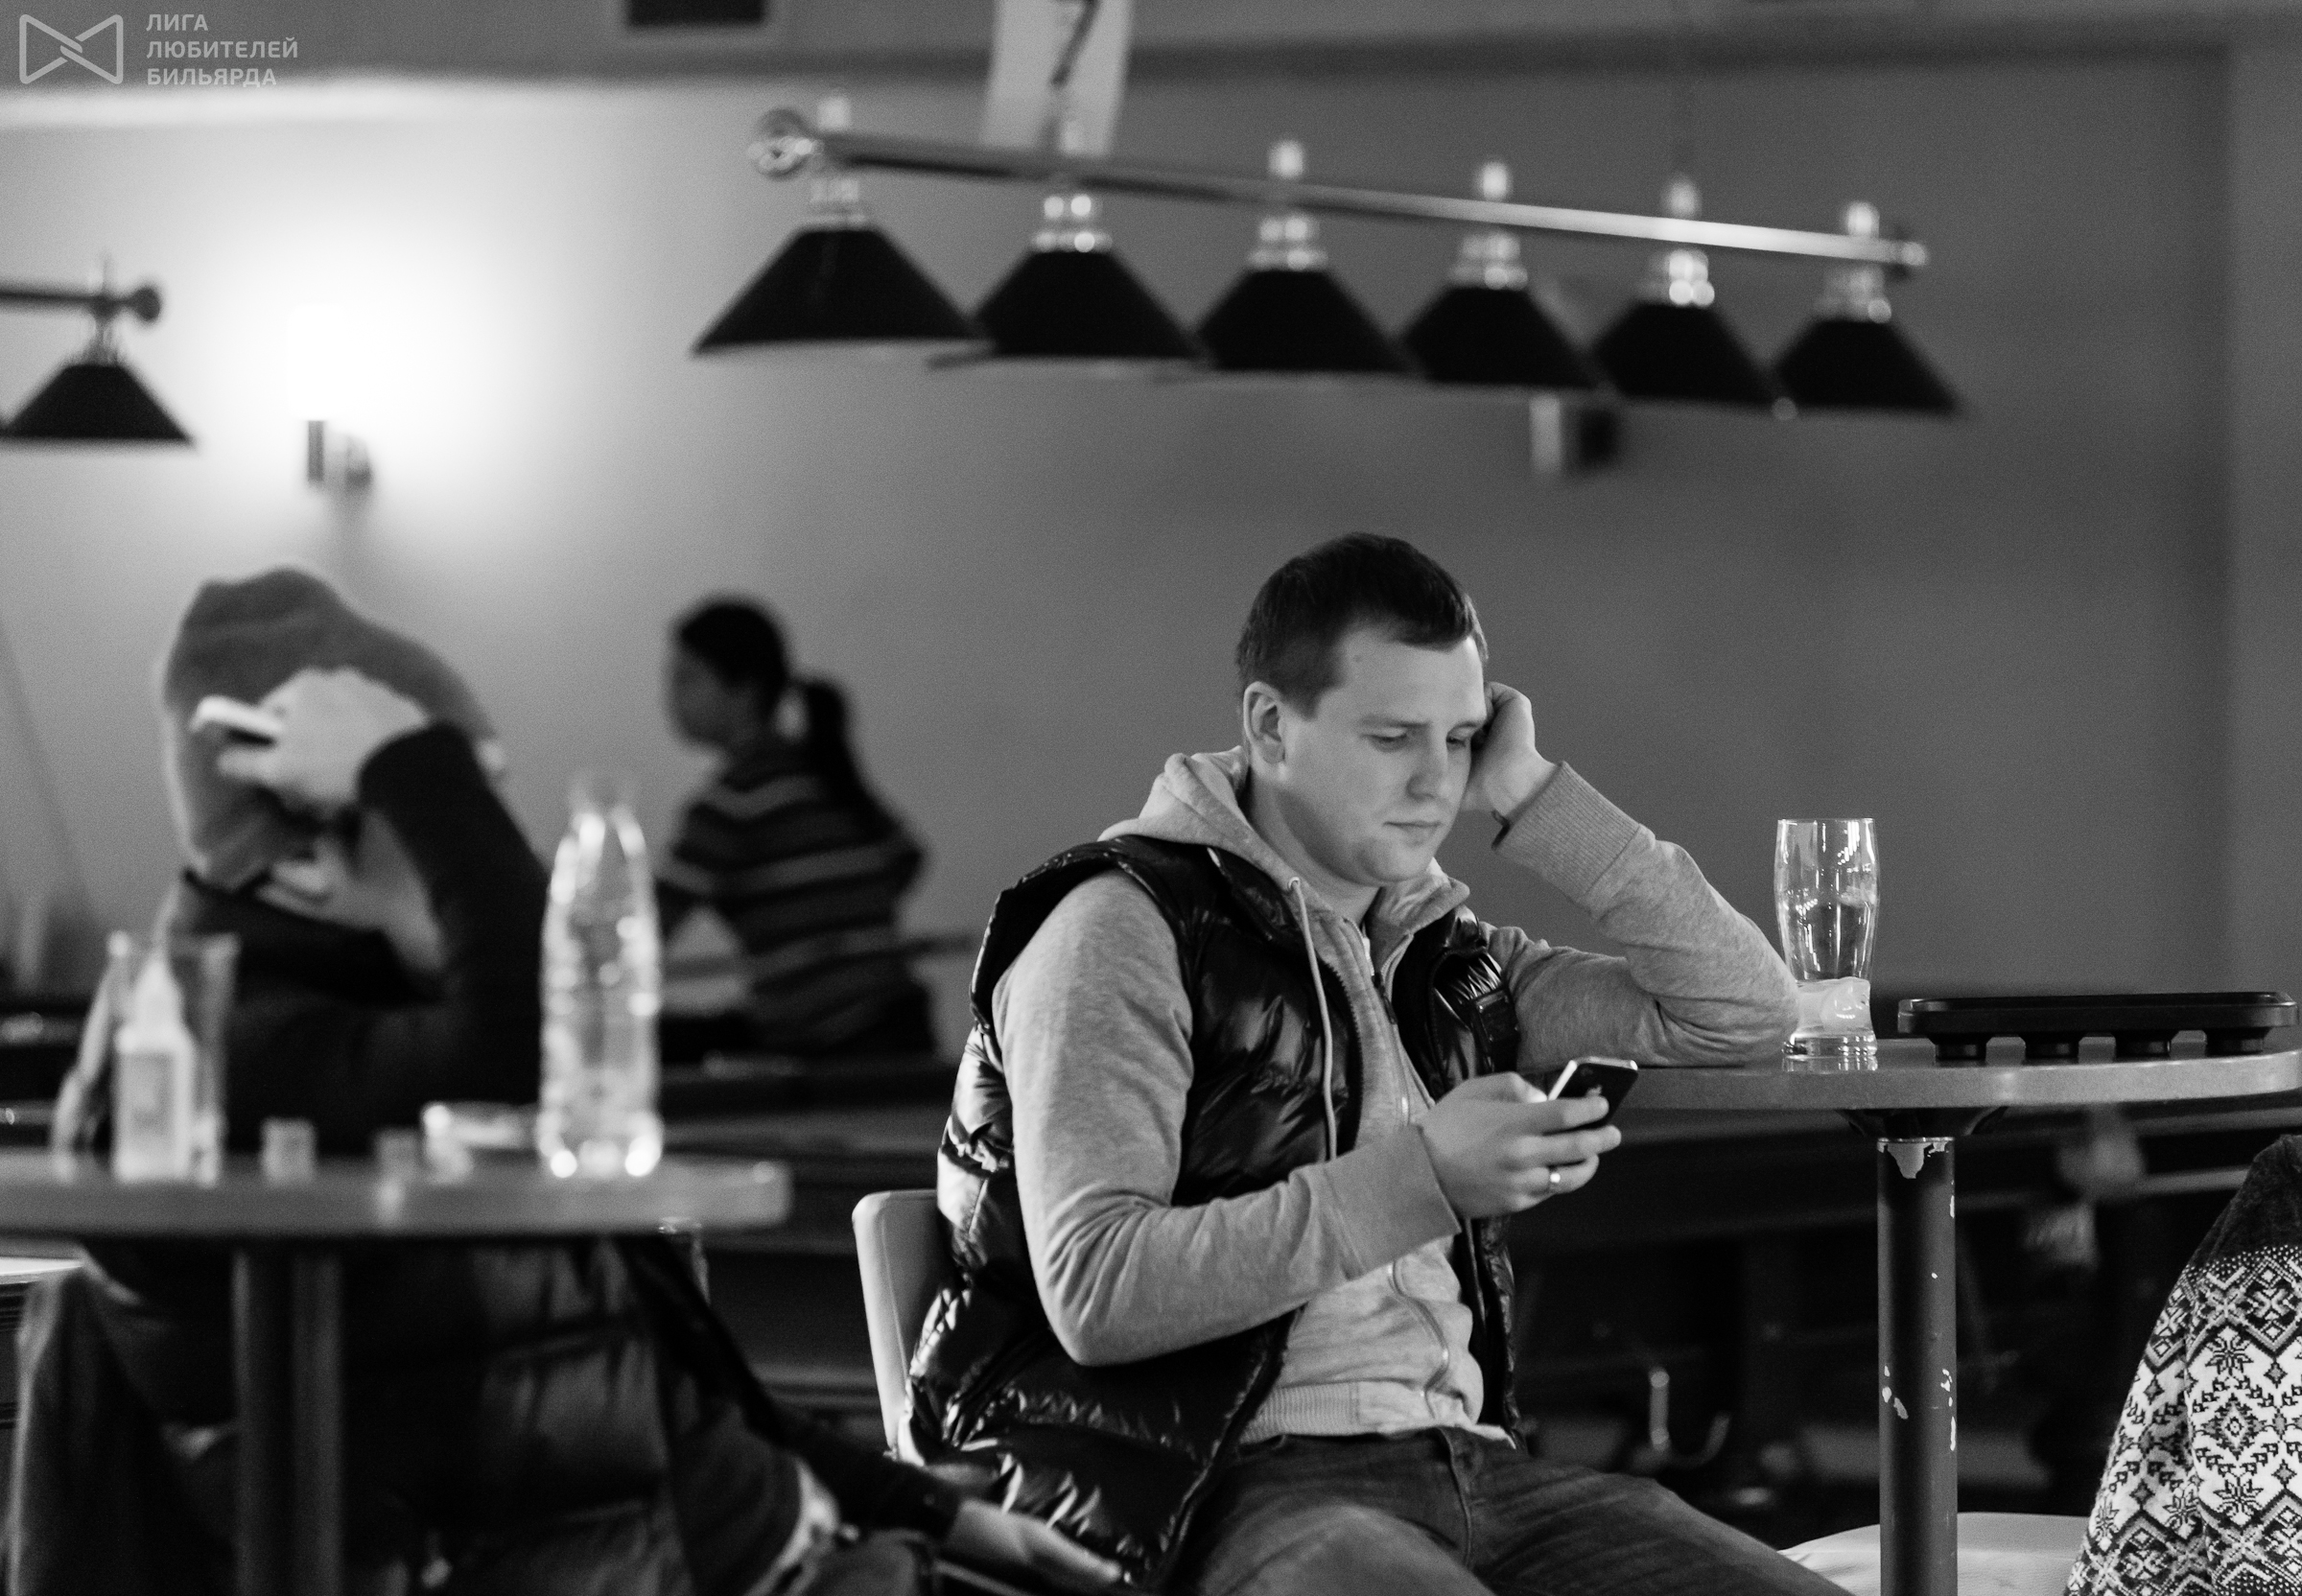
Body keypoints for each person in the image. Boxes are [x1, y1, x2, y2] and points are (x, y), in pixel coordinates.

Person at [12, 567, 1116, 1596]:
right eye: (450, 814)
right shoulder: (235, 1062)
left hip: (785, 1552)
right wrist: (420, 762)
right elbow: (542, 1041)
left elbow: (668, 1395)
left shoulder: (373, 1048)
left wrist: (940, 1513)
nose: (496, 852)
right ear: (304, 859)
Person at [908, 535, 1847, 1596]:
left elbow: (1745, 1011)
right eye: (1393, 737)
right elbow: (1100, 1290)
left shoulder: (1445, 957)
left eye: (1461, 737)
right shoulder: (1120, 927)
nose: (1436, 781)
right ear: (1271, 726)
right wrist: (1425, 1178)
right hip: (1211, 1490)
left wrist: (1534, 791)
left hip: (1475, 1467)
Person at [659, 598, 936, 1059]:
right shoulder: (826, 772)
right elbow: (905, 859)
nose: (670, 697)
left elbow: (648, 926)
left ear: (744, 691)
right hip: (902, 1026)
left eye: (686, 678)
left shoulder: (732, 802)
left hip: (835, 1046)